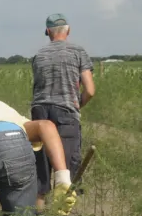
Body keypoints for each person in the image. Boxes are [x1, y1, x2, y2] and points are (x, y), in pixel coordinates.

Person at [30, 13, 95, 195]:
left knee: (41, 167)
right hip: (65, 113)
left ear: (48, 32)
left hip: (39, 113)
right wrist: (76, 105)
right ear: (68, 31)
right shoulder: (77, 52)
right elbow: (89, 90)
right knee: (66, 167)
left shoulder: (38, 55)